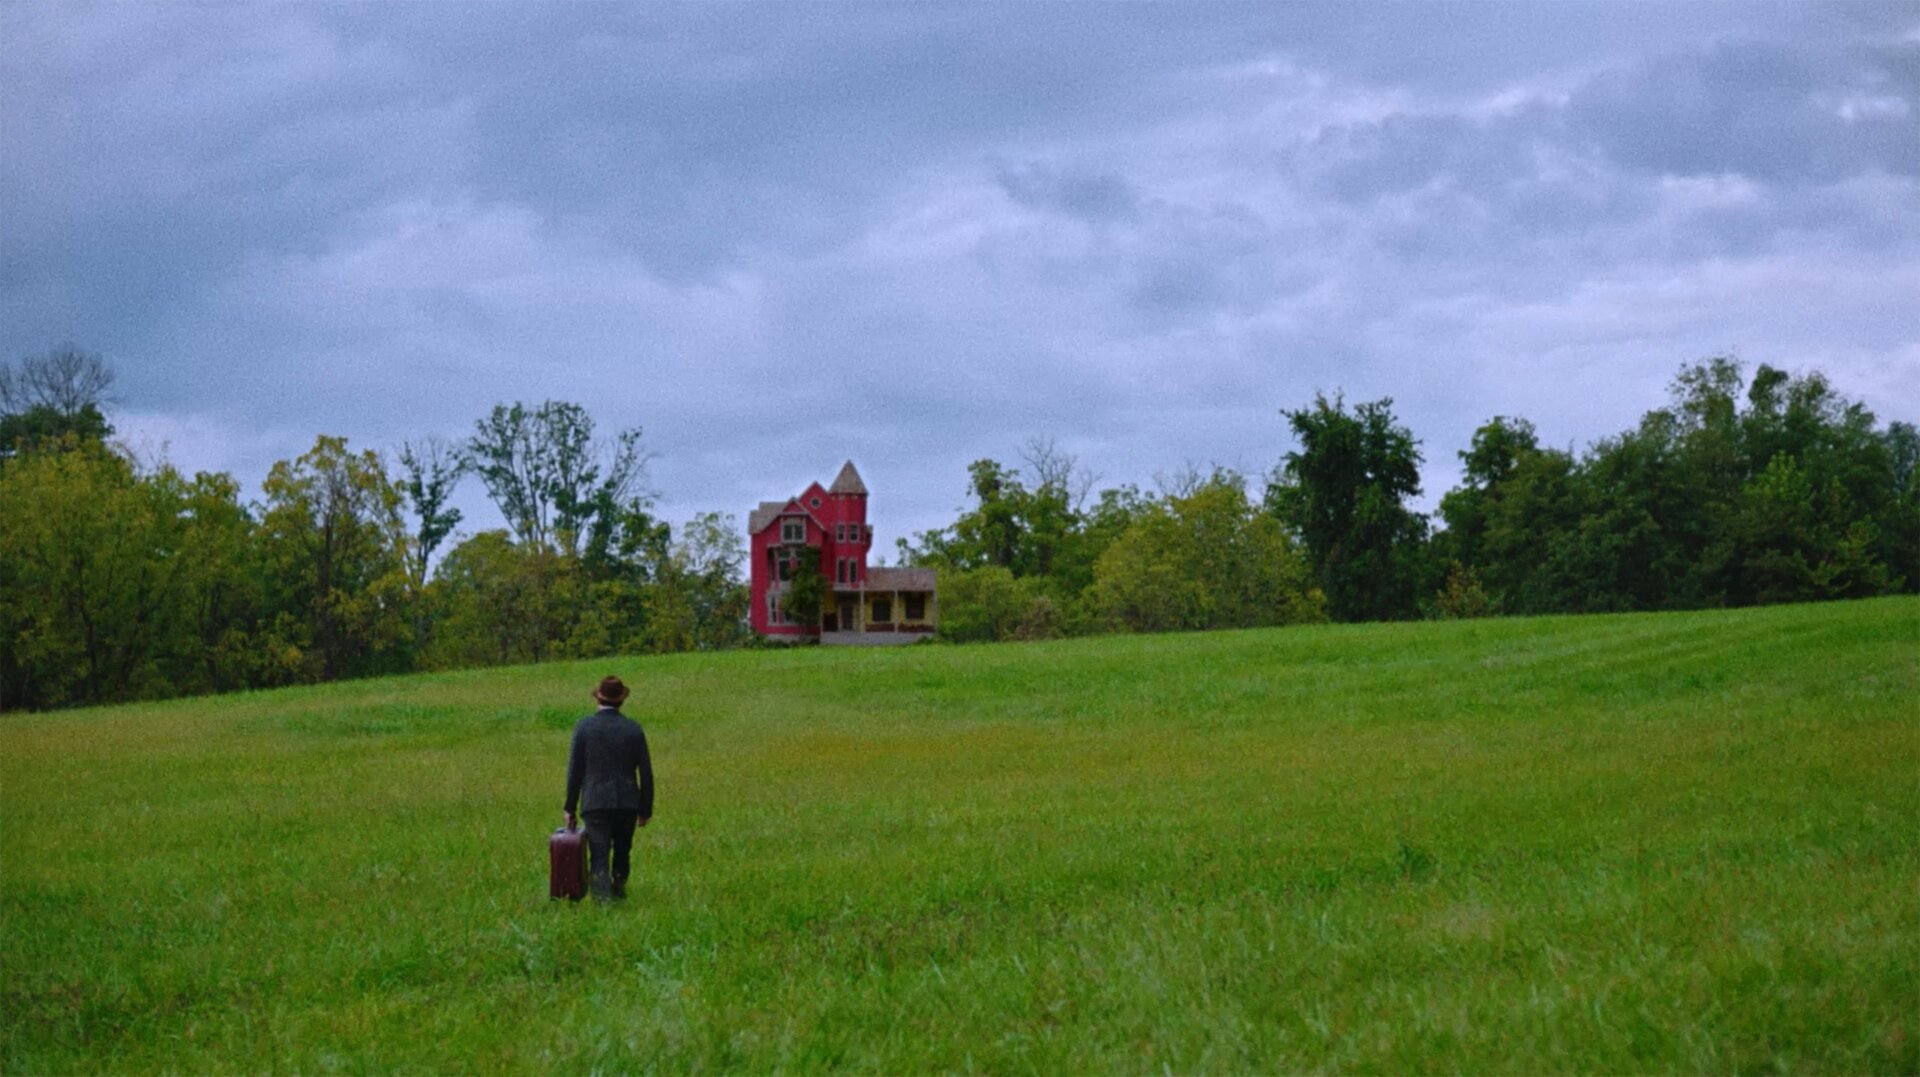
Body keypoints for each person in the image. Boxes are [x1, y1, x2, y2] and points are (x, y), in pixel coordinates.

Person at [563, 675, 654, 902]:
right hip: (627, 802)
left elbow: (575, 771)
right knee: (623, 850)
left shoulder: (584, 728)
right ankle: (619, 889)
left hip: (595, 801)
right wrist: (645, 810)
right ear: (621, 700)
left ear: (598, 699)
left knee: (599, 853)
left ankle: (602, 900)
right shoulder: (633, 729)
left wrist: (569, 808)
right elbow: (645, 773)